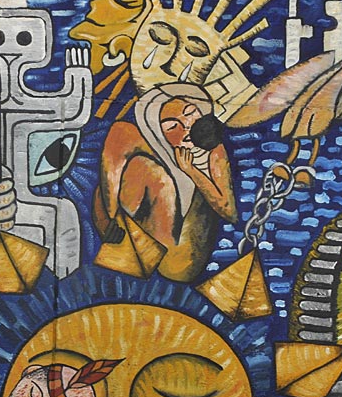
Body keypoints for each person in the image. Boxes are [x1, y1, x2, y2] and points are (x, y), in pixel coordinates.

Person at [93, 83, 237, 282]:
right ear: (159, 133)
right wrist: (106, 220)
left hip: (179, 257)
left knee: (157, 176)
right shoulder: (158, 147)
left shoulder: (213, 152)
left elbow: (230, 211)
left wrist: (191, 170)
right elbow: (106, 182)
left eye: (190, 113)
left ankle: (127, 240)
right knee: (122, 133)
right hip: (143, 235)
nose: (187, 127)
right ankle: (113, 226)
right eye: (172, 127)